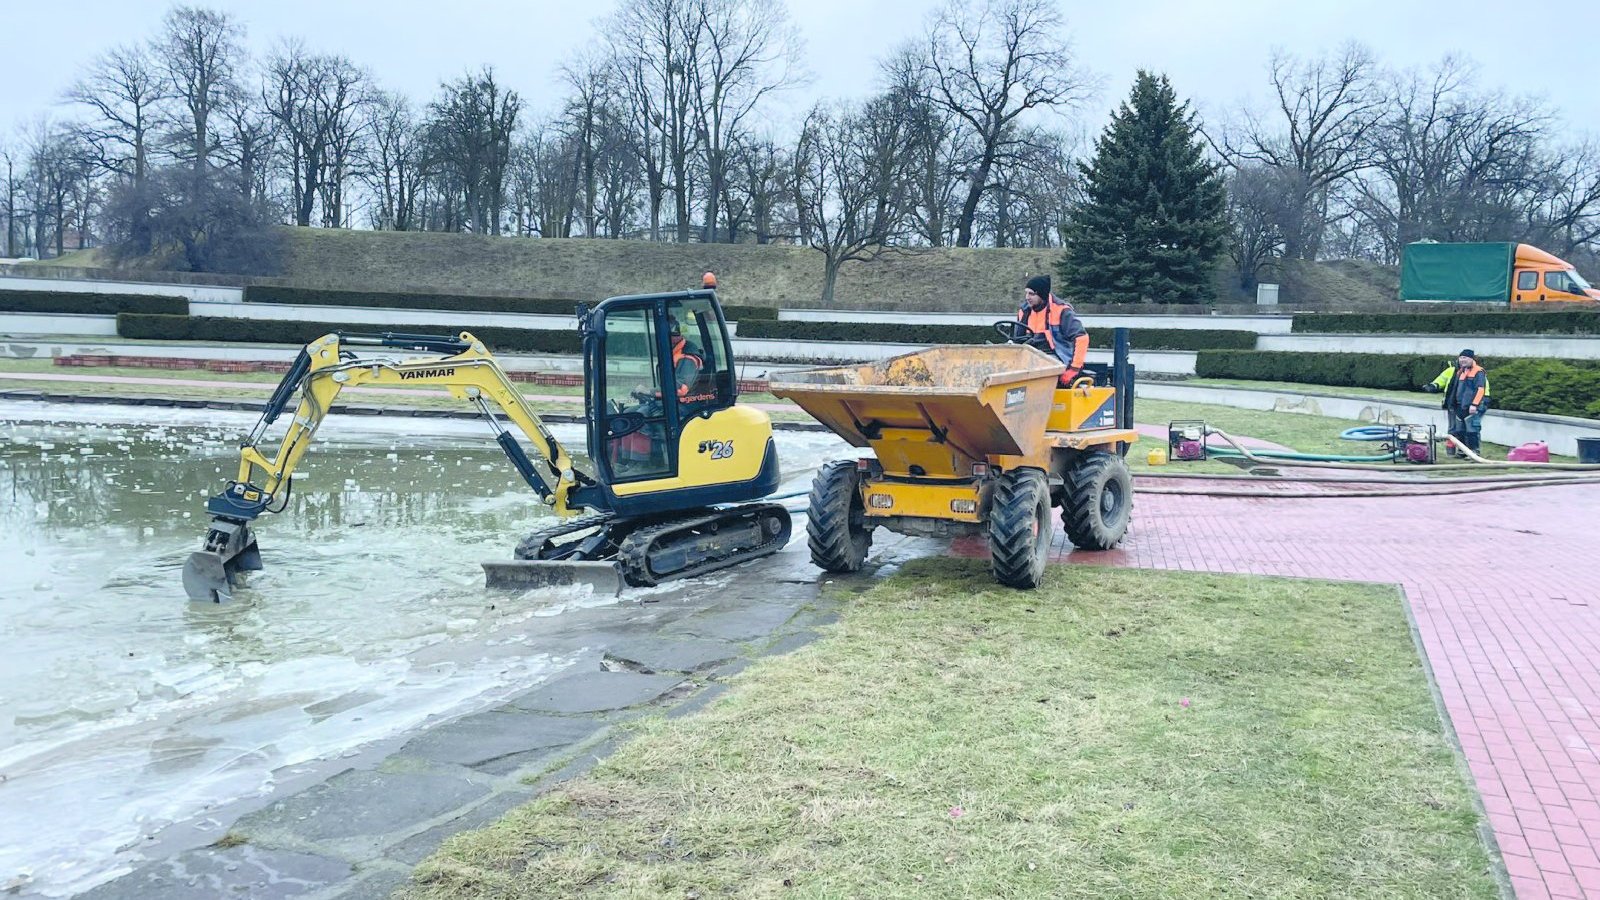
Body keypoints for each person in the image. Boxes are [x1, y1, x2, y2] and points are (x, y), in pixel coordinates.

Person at [1017, 274, 1090, 386]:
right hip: (1031, 357)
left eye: (1031, 294)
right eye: (1026, 293)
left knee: (1038, 367)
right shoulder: (1024, 311)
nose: (1027, 297)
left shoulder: (1061, 310)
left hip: (1056, 357)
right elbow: (1017, 340)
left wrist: (1074, 369)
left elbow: (1082, 338)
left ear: (1042, 294)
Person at [1425, 349, 1488, 456]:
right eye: (1461, 357)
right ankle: (1462, 451)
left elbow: (1480, 389)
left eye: (1465, 358)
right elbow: (1454, 389)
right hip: (1459, 406)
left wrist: (1474, 404)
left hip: (1471, 407)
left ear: (1471, 359)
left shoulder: (1478, 372)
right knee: (1460, 431)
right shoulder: (1460, 372)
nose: (1462, 360)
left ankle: (1474, 452)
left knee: (1472, 431)